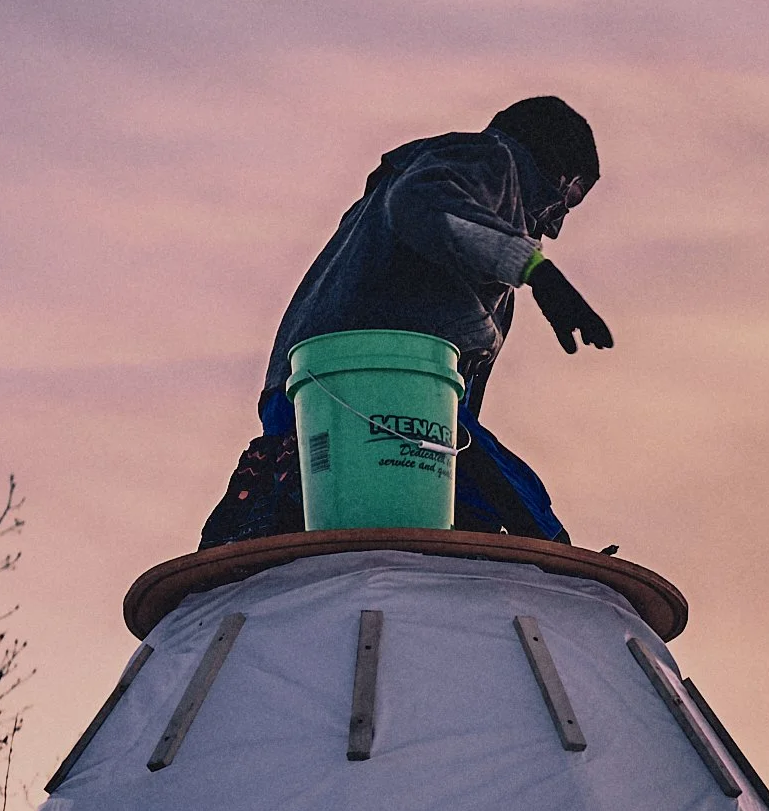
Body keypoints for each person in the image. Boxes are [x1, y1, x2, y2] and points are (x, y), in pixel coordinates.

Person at [199, 96, 612, 550]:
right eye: (567, 201)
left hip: (306, 389)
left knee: (436, 493)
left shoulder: (394, 219)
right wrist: (537, 271)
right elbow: (424, 204)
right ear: (555, 171)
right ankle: (552, 548)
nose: (554, 228)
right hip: (374, 381)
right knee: (506, 488)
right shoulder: (494, 161)